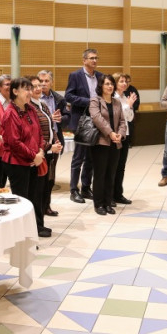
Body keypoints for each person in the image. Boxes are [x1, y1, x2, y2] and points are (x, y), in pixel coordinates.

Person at [1, 77, 47, 235]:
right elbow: (14, 142)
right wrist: (34, 156)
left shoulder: (31, 109)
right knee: (22, 200)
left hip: (33, 160)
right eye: (26, 89)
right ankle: (21, 234)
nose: (30, 92)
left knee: (34, 197)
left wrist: (40, 151)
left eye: (30, 89)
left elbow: (39, 133)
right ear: (15, 91)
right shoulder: (10, 113)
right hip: (17, 162)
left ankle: (34, 230)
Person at [65, 48, 103, 202]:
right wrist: (89, 101)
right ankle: (74, 190)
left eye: (96, 58)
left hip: (97, 121)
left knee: (91, 158)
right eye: (91, 58)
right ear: (84, 60)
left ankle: (86, 188)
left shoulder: (100, 76)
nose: (94, 61)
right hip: (81, 121)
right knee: (78, 158)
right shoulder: (75, 75)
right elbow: (69, 96)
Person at [90, 75, 127, 215]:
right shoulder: (95, 101)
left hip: (115, 143)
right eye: (107, 84)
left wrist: (120, 134)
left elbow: (122, 121)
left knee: (111, 174)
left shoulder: (117, 102)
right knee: (100, 174)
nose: (110, 86)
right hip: (101, 142)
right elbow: (97, 118)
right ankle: (98, 204)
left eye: (111, 84)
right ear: (101, 86)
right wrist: (110, 133)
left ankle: (108, 202)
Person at [29, 75, 61, 236]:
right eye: (34, 86)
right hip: (38, 153)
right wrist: (49, 147)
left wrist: (56, 140)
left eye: (39, 85)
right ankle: (35, 226)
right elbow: (35, 134)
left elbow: (51, 127)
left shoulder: (42, 104)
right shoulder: (29, 107)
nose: (38, 88)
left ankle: (40, 223)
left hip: (48, 152)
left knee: (44, 189)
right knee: (36, 191)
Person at [38, 69, 68, 214]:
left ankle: (46, 206)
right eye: (41, 81)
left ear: (52, 82)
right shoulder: (33, 99)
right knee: (39, 177)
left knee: (50, 177)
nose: (43, 84)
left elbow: (68, 116)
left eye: (46, 81)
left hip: (55, 141)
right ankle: (37, 207)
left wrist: (61, 119)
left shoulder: (59, 99)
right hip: (38, 143)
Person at [112, 72, 136, 204]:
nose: (125, 83)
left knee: (121, 166)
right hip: (115, 134)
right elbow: (118, 114)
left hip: (125, 133)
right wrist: (128, 105)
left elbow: (130, 117)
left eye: (126, 81)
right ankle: (110, 195)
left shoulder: (125, 97)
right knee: (113, 167)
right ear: (115, 83)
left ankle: (118, 194)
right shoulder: (113, 97)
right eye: (121, 81)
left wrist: (129, 105)